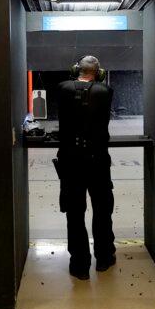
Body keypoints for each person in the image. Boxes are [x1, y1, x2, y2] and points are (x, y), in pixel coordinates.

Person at [56, 56, 116, 280]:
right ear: (98, 72)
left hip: (71, 160)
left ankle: (79, 265)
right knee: (102, 210)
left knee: (74, 213)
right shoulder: (105, 91)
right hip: (98, 160)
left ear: (76, 70)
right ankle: (104, 258)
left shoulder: (62, 88)